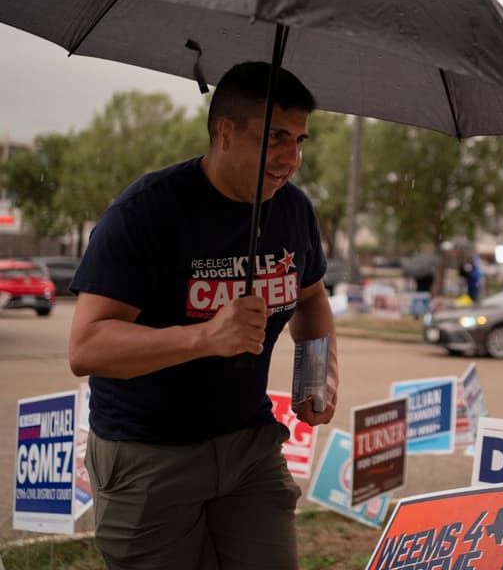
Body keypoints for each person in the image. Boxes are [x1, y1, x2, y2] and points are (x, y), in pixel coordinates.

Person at [68, 62, 338, 568]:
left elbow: (311, 297)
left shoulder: (293, 210)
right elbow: (87, 348)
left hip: (249, 447)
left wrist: (316, 375)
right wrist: (205, 338)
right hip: (147, 455)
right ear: (224, 131)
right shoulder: (147, 212)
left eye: (300, 140)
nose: (291, 157)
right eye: (275, 136)